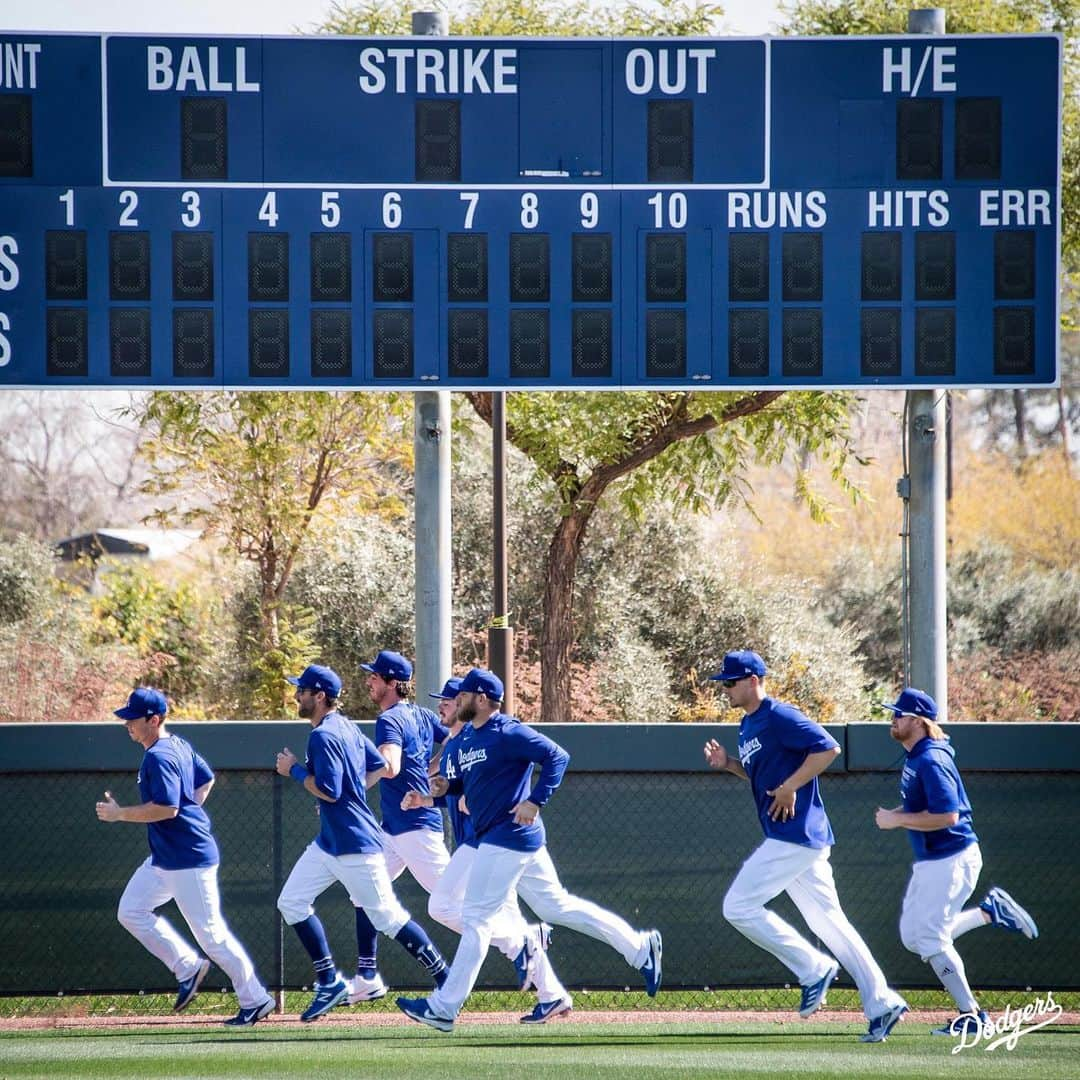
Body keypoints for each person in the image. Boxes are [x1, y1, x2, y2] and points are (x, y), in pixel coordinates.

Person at [396, 667, 661, 1032]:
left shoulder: (508, 731)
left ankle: (444, 1007)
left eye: (464, 695)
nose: (458, 700)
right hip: (509, 838)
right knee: (556, 905)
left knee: (476, 919)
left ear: (483, 700)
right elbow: (462, 786)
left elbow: (558, 756)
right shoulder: (469, 739)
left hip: (509, 835)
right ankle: (639, 947)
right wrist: (435, 792)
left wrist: (536, 799)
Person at [702, 650, 908, 1044]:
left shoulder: (779, 715)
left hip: (794, 835)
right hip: (796, 838)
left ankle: (813, 968)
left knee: (738, 906)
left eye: (729, 682)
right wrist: (729, 763)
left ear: (752, 680)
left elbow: (829, 748)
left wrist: (792, 786)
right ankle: (882, 1002)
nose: (724, 689)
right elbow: (761, 776)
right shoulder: (747, 725)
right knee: (829, 923)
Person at [274, 664, 450, 1021]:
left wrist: (294, 769)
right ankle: (329, 981)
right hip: (329, 842)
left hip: (356, 843)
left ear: (319, 696)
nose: (297, 695)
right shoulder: (347, 727)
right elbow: (381, 766)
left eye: (302, 690)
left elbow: (330, 790)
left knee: (387, 917)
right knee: (291, 901)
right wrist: (354, 789)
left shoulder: (323, 736)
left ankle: (446, 979)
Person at [95, 687, 274, 1027]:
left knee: (213, 936)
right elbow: (205, 779)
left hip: (188, 859)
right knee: (131, 910)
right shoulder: (177, 745)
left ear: (154, 719)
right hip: (166, 858)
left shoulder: (160, 755)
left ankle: (256, 1000)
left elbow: (167, 807)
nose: (127, 725)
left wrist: (120, 814)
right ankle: (187, 966)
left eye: (133, 719)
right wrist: (190, 812)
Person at [402, 677, 571, 1024]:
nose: (443, 707)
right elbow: (458, 789)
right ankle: (548, 986)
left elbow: (538, 762)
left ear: (470, 702)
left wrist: (472, 796)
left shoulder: (486, 737)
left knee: (461, 911)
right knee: (459, 910)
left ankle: (452, 1001)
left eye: (449, 700)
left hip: (489, 842)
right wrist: (431, 796)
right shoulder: (454, 745)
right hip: (478, 840)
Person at [875, 687, 1039, 1037]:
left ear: (918, 721)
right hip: (932, 861)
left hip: (952, 859)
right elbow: (926, 809)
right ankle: (989, 912)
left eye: (899, 714)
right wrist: (896, 814)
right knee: (912, 937)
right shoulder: (917, 755)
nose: (893, 719)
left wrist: (897, 819)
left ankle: (973, 1016)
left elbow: (949, 816)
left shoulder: (931, 759)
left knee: (931, 940)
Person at [346, 650, 452, 1005]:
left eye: (375, 677)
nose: (369, 681)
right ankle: (366, 976)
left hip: (416, 829)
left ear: (392, 684)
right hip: (394, 830)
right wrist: (430, 770)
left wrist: (351, 791)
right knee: (362, 890)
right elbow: (455, 739)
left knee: (457, 905)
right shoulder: (421, 715)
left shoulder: (390, 720)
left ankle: (522, 941)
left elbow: (389, 767)